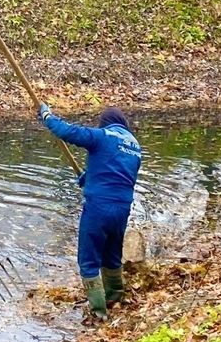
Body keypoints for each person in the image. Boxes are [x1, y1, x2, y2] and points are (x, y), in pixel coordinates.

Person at [37, 104, 143, 321]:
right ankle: (115, 296)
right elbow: (118, 174)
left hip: (98, 208)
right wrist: (90, 177)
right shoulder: (134, 146)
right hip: (122, 209)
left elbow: (69, 132)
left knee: (88, 260)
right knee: (112, 254)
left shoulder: (103, 136)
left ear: (105, 123)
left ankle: (98, 311)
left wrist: (47, 116)